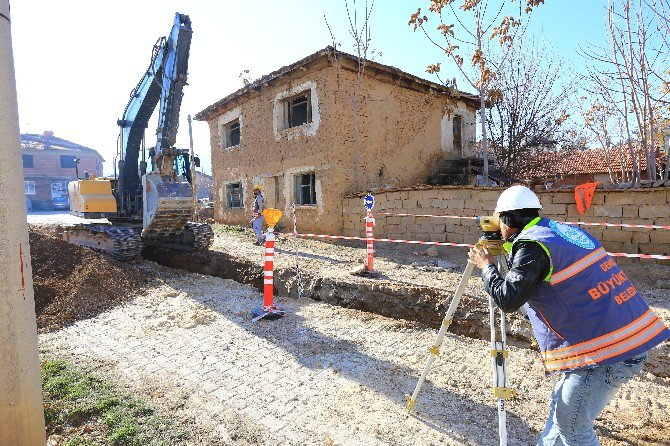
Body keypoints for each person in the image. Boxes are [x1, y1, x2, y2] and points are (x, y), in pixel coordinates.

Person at [468, 185, 669, 446]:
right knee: (561, 417)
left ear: (507, 220)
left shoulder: (532, 247)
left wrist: (487, 267)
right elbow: (538, 267)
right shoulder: (559, 232)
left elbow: (507, 298)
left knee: (572, 429)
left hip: (604, 353)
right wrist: (510, 247)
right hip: (624, 336)